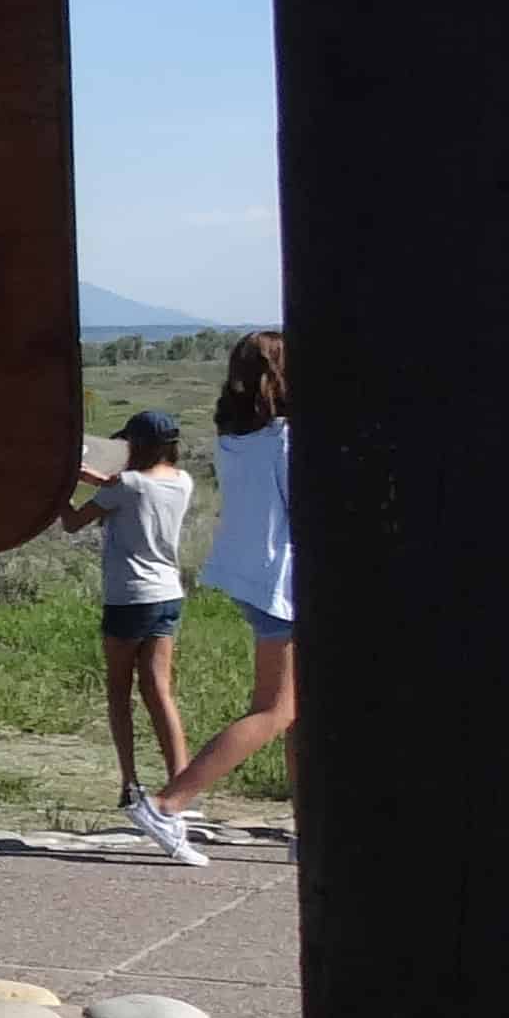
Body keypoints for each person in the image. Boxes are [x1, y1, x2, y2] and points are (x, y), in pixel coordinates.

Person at [150, 331, 296, 854]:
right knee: (274, 710)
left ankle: (309, 823)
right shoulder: (284, 438)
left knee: (297, 707)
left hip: (247, 572)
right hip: (280, 580)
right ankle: (169, 803)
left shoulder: (235, 435)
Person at [64, 408, 199, 855]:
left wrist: (58, 487)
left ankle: (129, 783)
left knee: (119, 692)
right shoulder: (182, 482)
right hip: (167, 595)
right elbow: (126, 488)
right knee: (160, 691)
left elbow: (72, 520)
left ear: (135, 444)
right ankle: (182, 784)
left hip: (127, 597)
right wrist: (95, 477)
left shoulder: (127, 485)